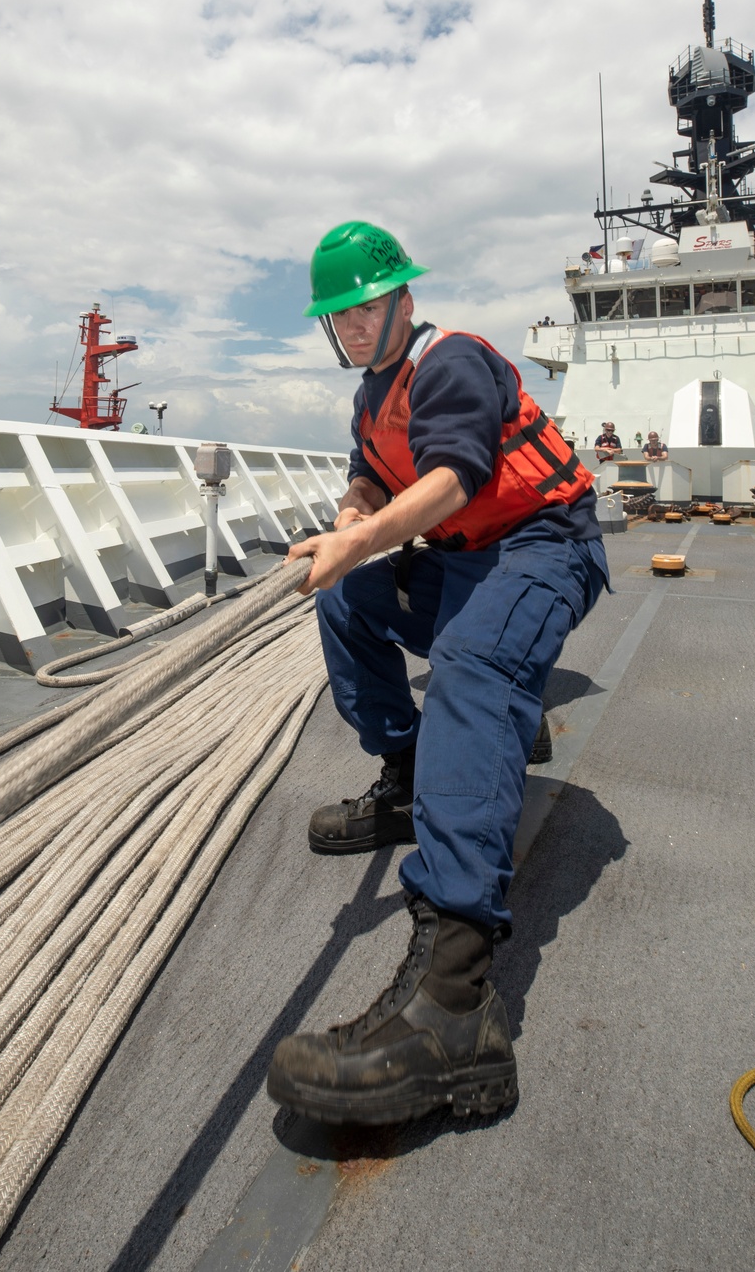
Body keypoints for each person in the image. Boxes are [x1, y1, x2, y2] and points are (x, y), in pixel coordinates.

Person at [266, 221, 609, 1126]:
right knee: (345, 603)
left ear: (403, 301)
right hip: (465, 563)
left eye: (365, 306)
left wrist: (360, 543)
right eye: (337, 315)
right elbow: (369, 484)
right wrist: (350, 519)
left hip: (541, 546)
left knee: (471, 663)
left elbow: (456, 476)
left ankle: (456, 1004)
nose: (350, 325)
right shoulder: (371, 399)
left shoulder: (448, 362)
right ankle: (412, 776)